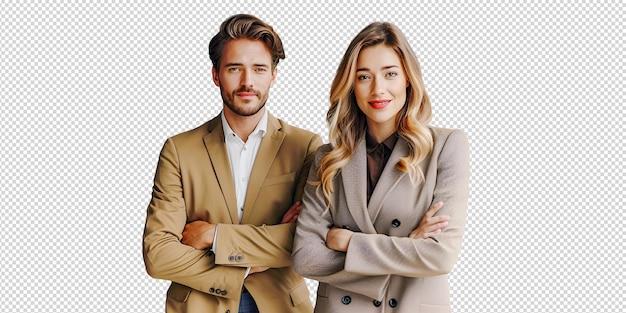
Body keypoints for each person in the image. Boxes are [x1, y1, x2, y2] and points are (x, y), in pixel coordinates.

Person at [143, 14, 321, 313]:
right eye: (234, 68)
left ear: (273, 76)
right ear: (215, 75)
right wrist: (248, 265)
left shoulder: (306, 146)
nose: (247, 82)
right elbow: (158, 255)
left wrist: (214, 236)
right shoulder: (179, 149)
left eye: (259, 69)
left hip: (281, 304)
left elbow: (305, 241)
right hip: (201, 303)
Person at [292, 22, 470, 313]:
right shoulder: (328, 158)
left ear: (407, 79)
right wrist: (409, 245)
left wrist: (351, 243)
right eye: (364, 77)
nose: (378, 89)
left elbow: (441, 255)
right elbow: (306, 258)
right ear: (351, 84)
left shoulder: (446, 146)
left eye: (390, 74)